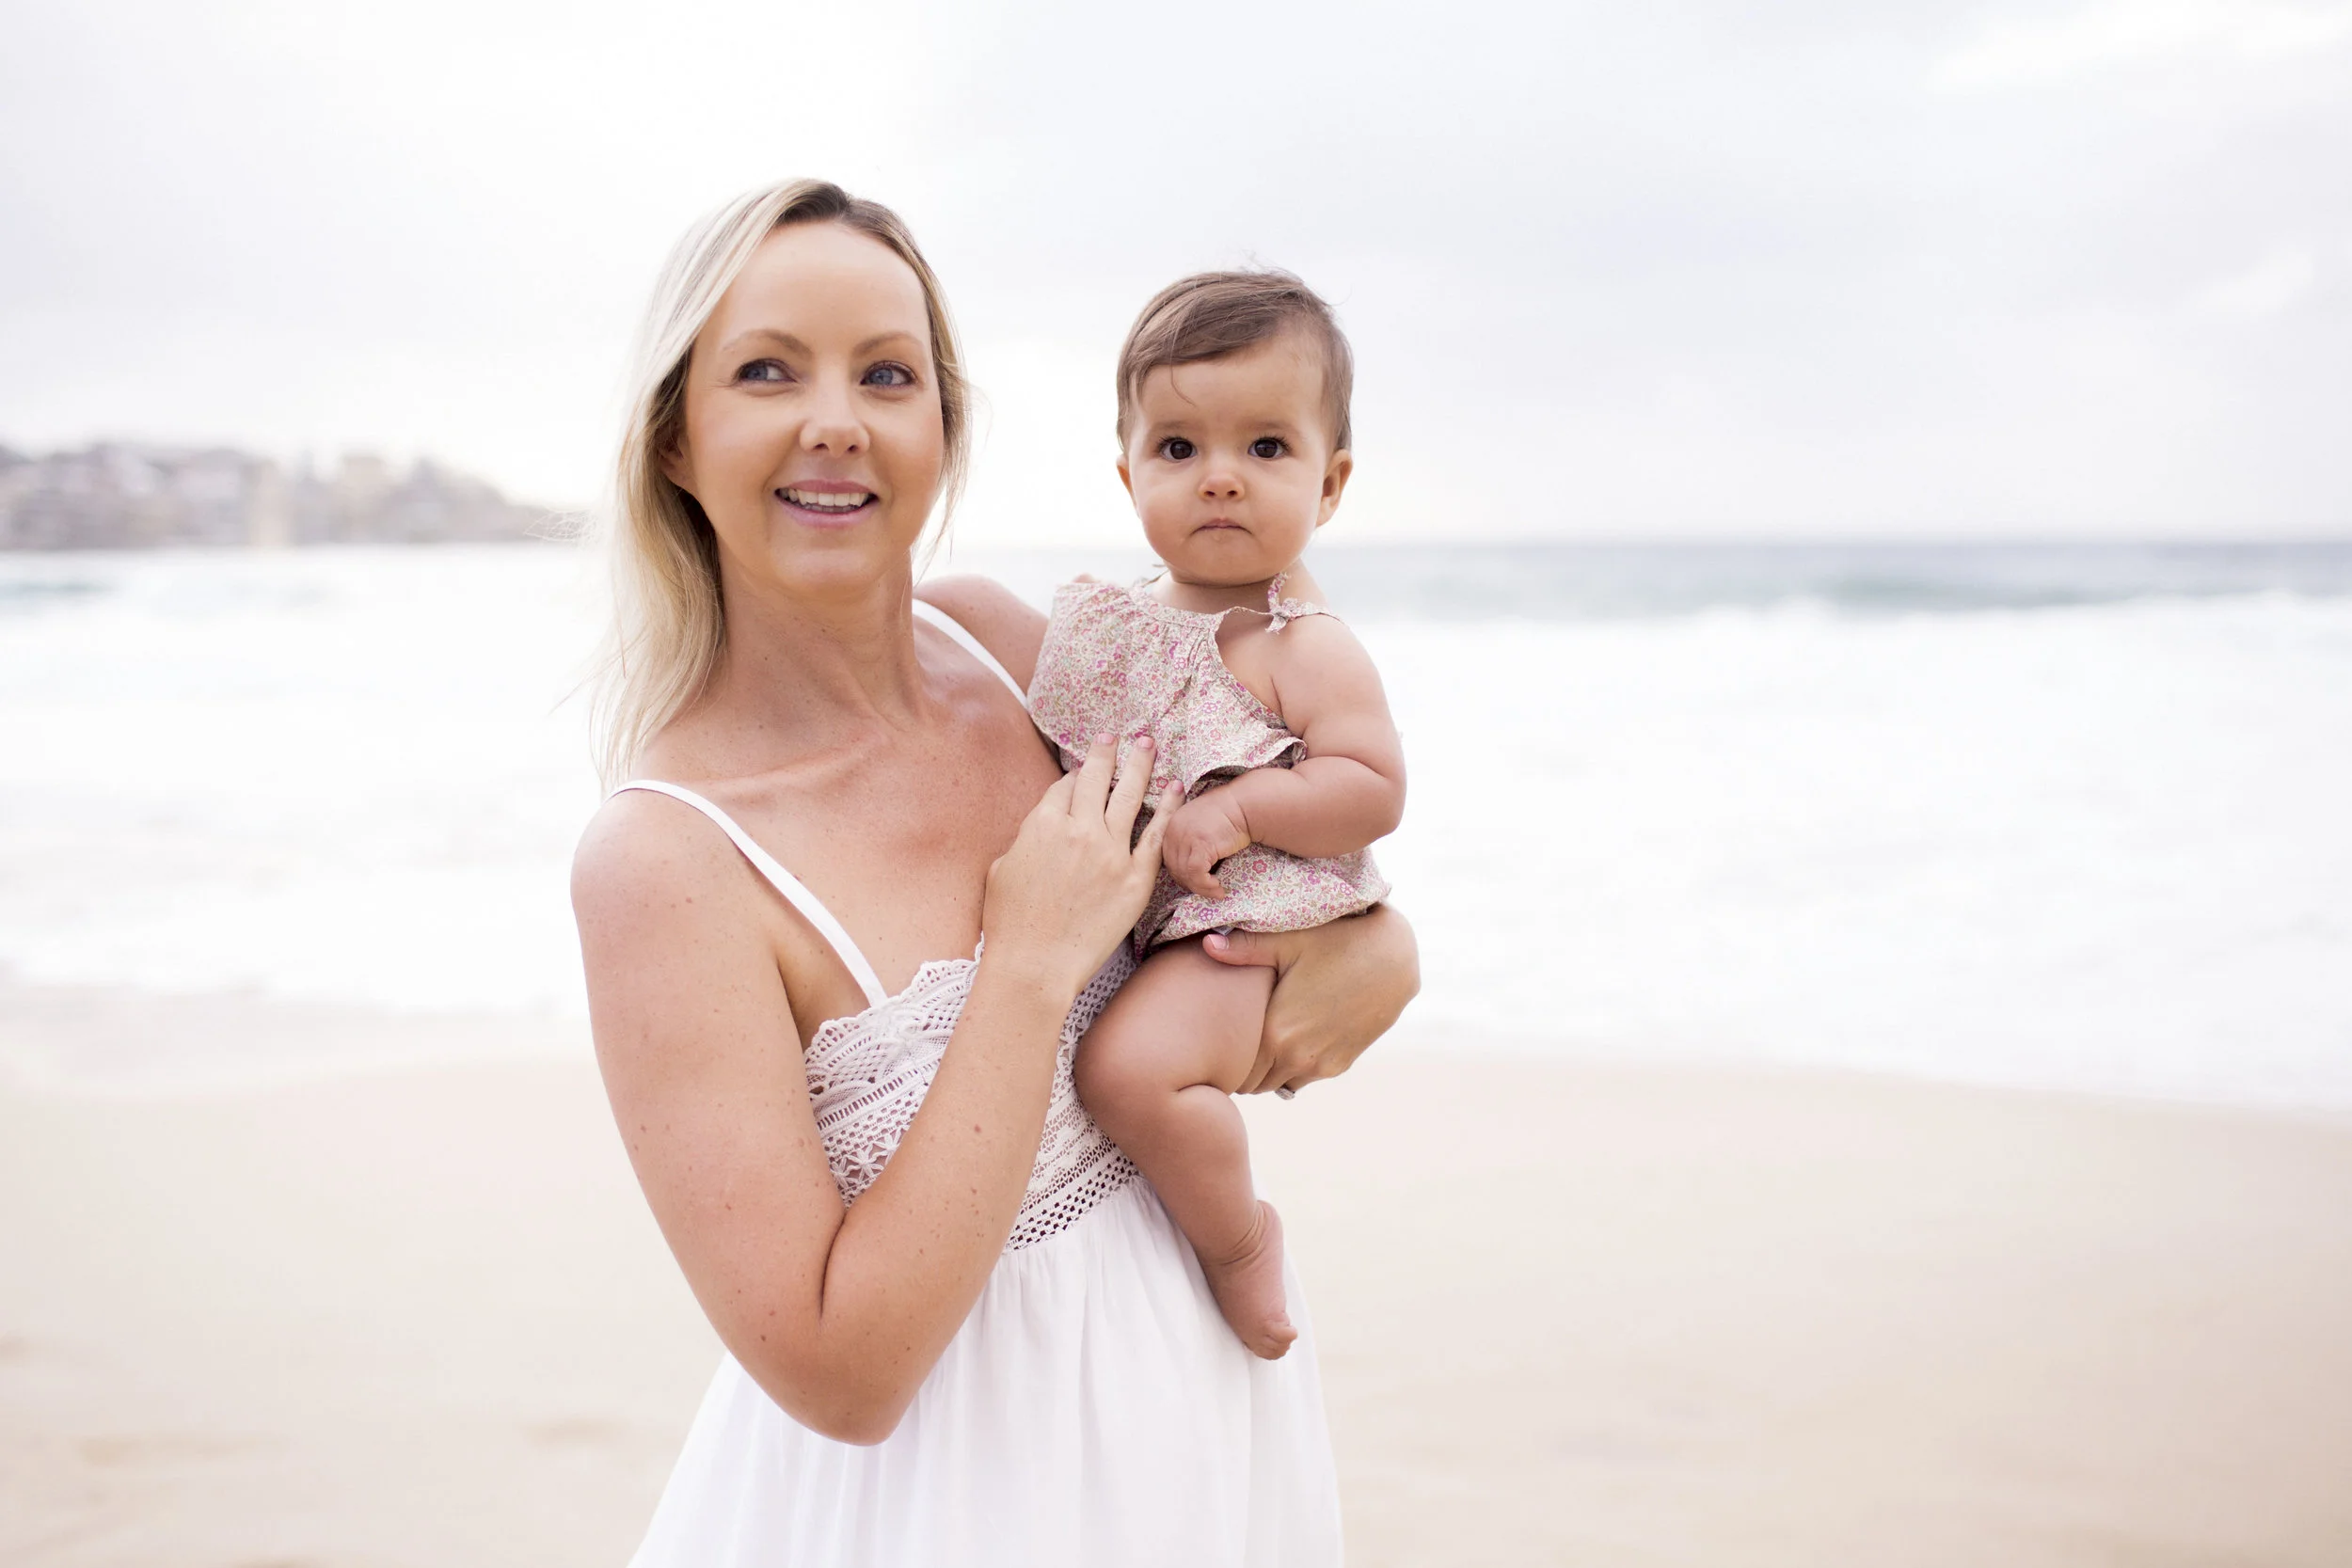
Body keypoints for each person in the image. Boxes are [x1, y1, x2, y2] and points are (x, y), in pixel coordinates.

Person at [569, 179, 1419, 1568]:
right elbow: (842, 1373)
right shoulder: (666, 858)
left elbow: (1267, 840)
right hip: (955, 1501)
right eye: (768, 368)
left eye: (887, 373)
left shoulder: (1014, 652)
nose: (836, 417)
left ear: (942, 427)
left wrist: (1383, 949)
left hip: (1207, 1424)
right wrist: (1030, 959)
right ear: (675, 435)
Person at [1028, 271, 1405, 1360]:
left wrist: (1246, 810)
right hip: (1164, 926)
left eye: (1267, 450)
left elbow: (1372, 784)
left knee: (1124, 1071)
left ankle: (1238, 1240)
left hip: (1255, 925)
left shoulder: (1301, 644)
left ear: (1330, 484)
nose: (1221, 480)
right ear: (1127, 471)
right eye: (1180, 449)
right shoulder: (1109, 628)